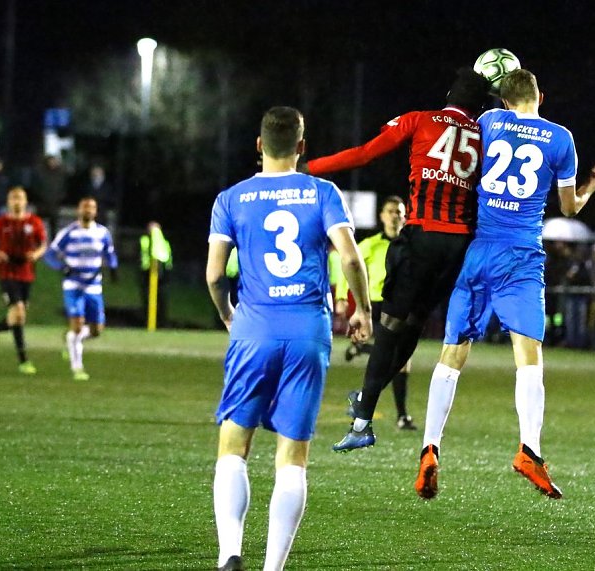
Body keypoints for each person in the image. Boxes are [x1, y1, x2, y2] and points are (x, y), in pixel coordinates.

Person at [413, 69, 595, 501]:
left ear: (502, 100)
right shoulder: (560, 138)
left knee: (451, 355)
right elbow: (568, 207)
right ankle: (530, 451)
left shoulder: (486, 124)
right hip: (520, 257)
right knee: (528, 358)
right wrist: (593, 185)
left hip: (477, 249)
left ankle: (430, 448)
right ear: (542, 95)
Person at [207, 106, 372, 571]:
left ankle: (229, 554)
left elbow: (215, 275)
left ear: (259, 146)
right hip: (307, 329)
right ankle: (272, 567)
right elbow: (351, 259)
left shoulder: (231, 198)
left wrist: (228, 316)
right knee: (292, 454)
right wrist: (363, 309)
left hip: (253, 328)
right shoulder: (323, 191)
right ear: (302, 147)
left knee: (234, 444)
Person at [305, 68, 491, 452]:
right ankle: (367, 398)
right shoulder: (484, 135)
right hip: (459, 246)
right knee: (414, 325)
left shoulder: (420, 119)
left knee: (390, 324)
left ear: (449, 94)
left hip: (423, 235)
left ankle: (362, 420)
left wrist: (308, 169)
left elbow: (365, 154)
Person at [334, 195, 416, 430]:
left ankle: (361, 355)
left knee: (399, 358)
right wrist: (341, 296)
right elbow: (347, 267)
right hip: (378, 305)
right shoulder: (371, 244)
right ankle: (396, 414)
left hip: (402, 304)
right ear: (381, 216)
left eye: (399, 212)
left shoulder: (410, 244)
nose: (395, 216)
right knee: (396, 357)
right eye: (390, 211)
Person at [44, 197, 118, 381]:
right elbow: (50, 255)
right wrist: (63, 267)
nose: (88, 210)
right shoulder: (68, 233)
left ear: (96, 211)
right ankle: (77, 367)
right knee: (77, 325)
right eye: (85, 207)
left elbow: (110, 254)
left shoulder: (102, 233)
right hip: (73, 285)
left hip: (94, 286)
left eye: (92, 207)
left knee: (96, 331)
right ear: (78, 210)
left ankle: (71, 340)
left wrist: (113, 267)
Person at [0, 187, 47, 374]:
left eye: (20, 198)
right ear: (8, 202)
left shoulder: (34, 222)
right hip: (7, 273)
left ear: (25, 202)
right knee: (18, 313)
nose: (17, 201)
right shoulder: (1, 222)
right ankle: (24, 361)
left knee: (17, 318)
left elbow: (43, 245)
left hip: (26, 273)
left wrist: (36, 254)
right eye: (13, 198)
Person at [139, 221, 173, 327]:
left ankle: (161, 321)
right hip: (147, 273)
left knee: (161, 299)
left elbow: (167, 259)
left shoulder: (163, 242)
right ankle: (148, 321)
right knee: (148, 299)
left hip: (161, 274)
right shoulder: (144, 241)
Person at [33, 154, 67, 237]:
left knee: (54, 226)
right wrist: (40, 197)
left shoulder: (60, 173)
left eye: (54, 161)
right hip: (42, 203)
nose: (52, 163)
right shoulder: (40, 172)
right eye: (50, 161)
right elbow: (35, 187)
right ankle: (38, 240)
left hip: (54, 204)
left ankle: (54, 242)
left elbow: (64, 187)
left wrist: (60, 198)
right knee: (38, 224)